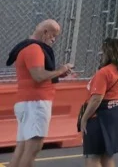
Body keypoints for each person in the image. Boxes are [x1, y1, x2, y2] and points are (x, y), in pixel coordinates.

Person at [7, 19, 74, 167]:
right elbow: (38, 76)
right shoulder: (35, 49)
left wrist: (57, 74)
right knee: (33, 148)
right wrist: (61, 70)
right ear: (45, 32)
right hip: (36, 103)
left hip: (27, 102)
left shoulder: (26, 47)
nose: (54, 39)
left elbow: (36, 75)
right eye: (53, 35)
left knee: (23, 147)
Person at [80, 38, 118, 167]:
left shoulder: (104, 72)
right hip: (117, 113)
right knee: (107, 155)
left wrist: (84, 117)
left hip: (100, 116)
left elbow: (96, 99)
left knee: (93, 155)